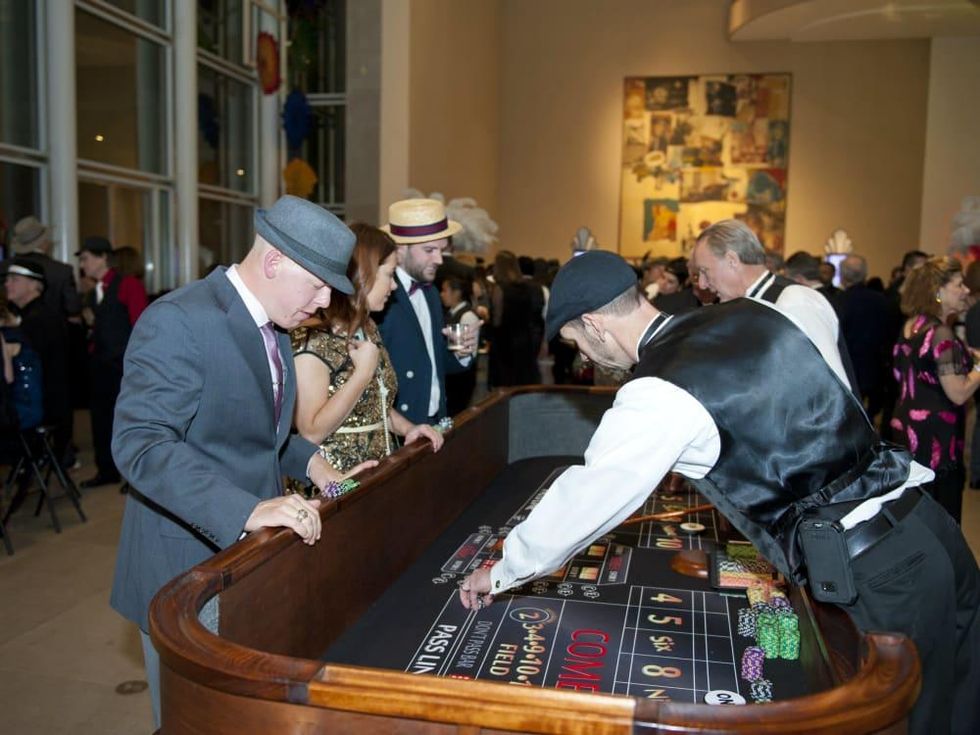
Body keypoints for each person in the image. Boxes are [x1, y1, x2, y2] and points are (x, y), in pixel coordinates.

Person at [458, 251, 978, 735]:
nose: (586, 357)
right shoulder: (748, 314)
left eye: (576, 341)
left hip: (880, 568)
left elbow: (592, 495)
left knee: (915, 723)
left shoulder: (658, 388)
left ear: (594, 324)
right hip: (928, 522)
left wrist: (502, 569)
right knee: (966, 698)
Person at [109, 195, 376, 727]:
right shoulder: (180, 320)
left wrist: (318, 467)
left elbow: (259, 434)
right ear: (274, 261)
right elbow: (141, 444)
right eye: (318, 283)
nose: (324, 302)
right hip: (181, 570)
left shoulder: (274, 325)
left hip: (246, 565)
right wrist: (246, 510)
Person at [291, 223, 444, 476]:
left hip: (375, 475)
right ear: (364, 273)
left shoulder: (368, 326)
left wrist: (408, 429)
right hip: (336, 487)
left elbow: (375, 403)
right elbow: (311, 432)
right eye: (389, 274)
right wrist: (362, 375)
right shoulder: (313, 338)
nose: (394, 286)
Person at [691, 220, 855, 390]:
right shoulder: (743, 305)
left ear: (732, 260)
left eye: (705, 271)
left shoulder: (794, 300)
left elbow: (832, 391)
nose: (702, 284)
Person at [890, 257, 980, 524]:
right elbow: (959, 393)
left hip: (907, 430)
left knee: (915, 515)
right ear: (937, 290)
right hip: (937, 439)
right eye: (958, 284)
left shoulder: (912, 326)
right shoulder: (942, 334)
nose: (965, 290)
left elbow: (911, 371)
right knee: (942, 518)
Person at [376, 198, 479, 425]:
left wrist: (461, 351)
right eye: (430, 250)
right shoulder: (381, 296)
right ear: (400, 250)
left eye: (442, 250)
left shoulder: (430, 293)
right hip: (397, 427)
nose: (439, 260)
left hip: (434, 420)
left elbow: (433, 363)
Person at [77, 236, 148, 487]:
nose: (82, 264)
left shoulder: (128, 285)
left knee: (131, 423)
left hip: (123, 367)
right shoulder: (93, 290)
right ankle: (106, 471)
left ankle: (134, 477)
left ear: (102, 257)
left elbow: (142, 327)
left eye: (85, 258)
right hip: (99, 365)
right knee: (100, 420)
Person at [2, 259, 71, 460]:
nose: (7, 284)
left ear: (34, 285)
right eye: (7, 280)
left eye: (14, 279)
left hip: (42, 404)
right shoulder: (29, 315)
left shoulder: (41, 319)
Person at [838, 254, 892, 421]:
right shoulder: (881, 300)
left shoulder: (839, 301)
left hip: (847, 367)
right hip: (875, 365)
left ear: (842, 275)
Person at [5, 216, 82, 322]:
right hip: (54, 334)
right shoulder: (62, 271)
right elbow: (73, 310)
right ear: (44, 243)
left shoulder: (5, 267)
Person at [439, 273, 480, 415]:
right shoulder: (450, 313)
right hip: (452, 376)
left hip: (461, 378)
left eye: (445, 290)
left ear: (456, 293)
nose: (441, 294)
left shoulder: (466, 316)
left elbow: (466, 353)